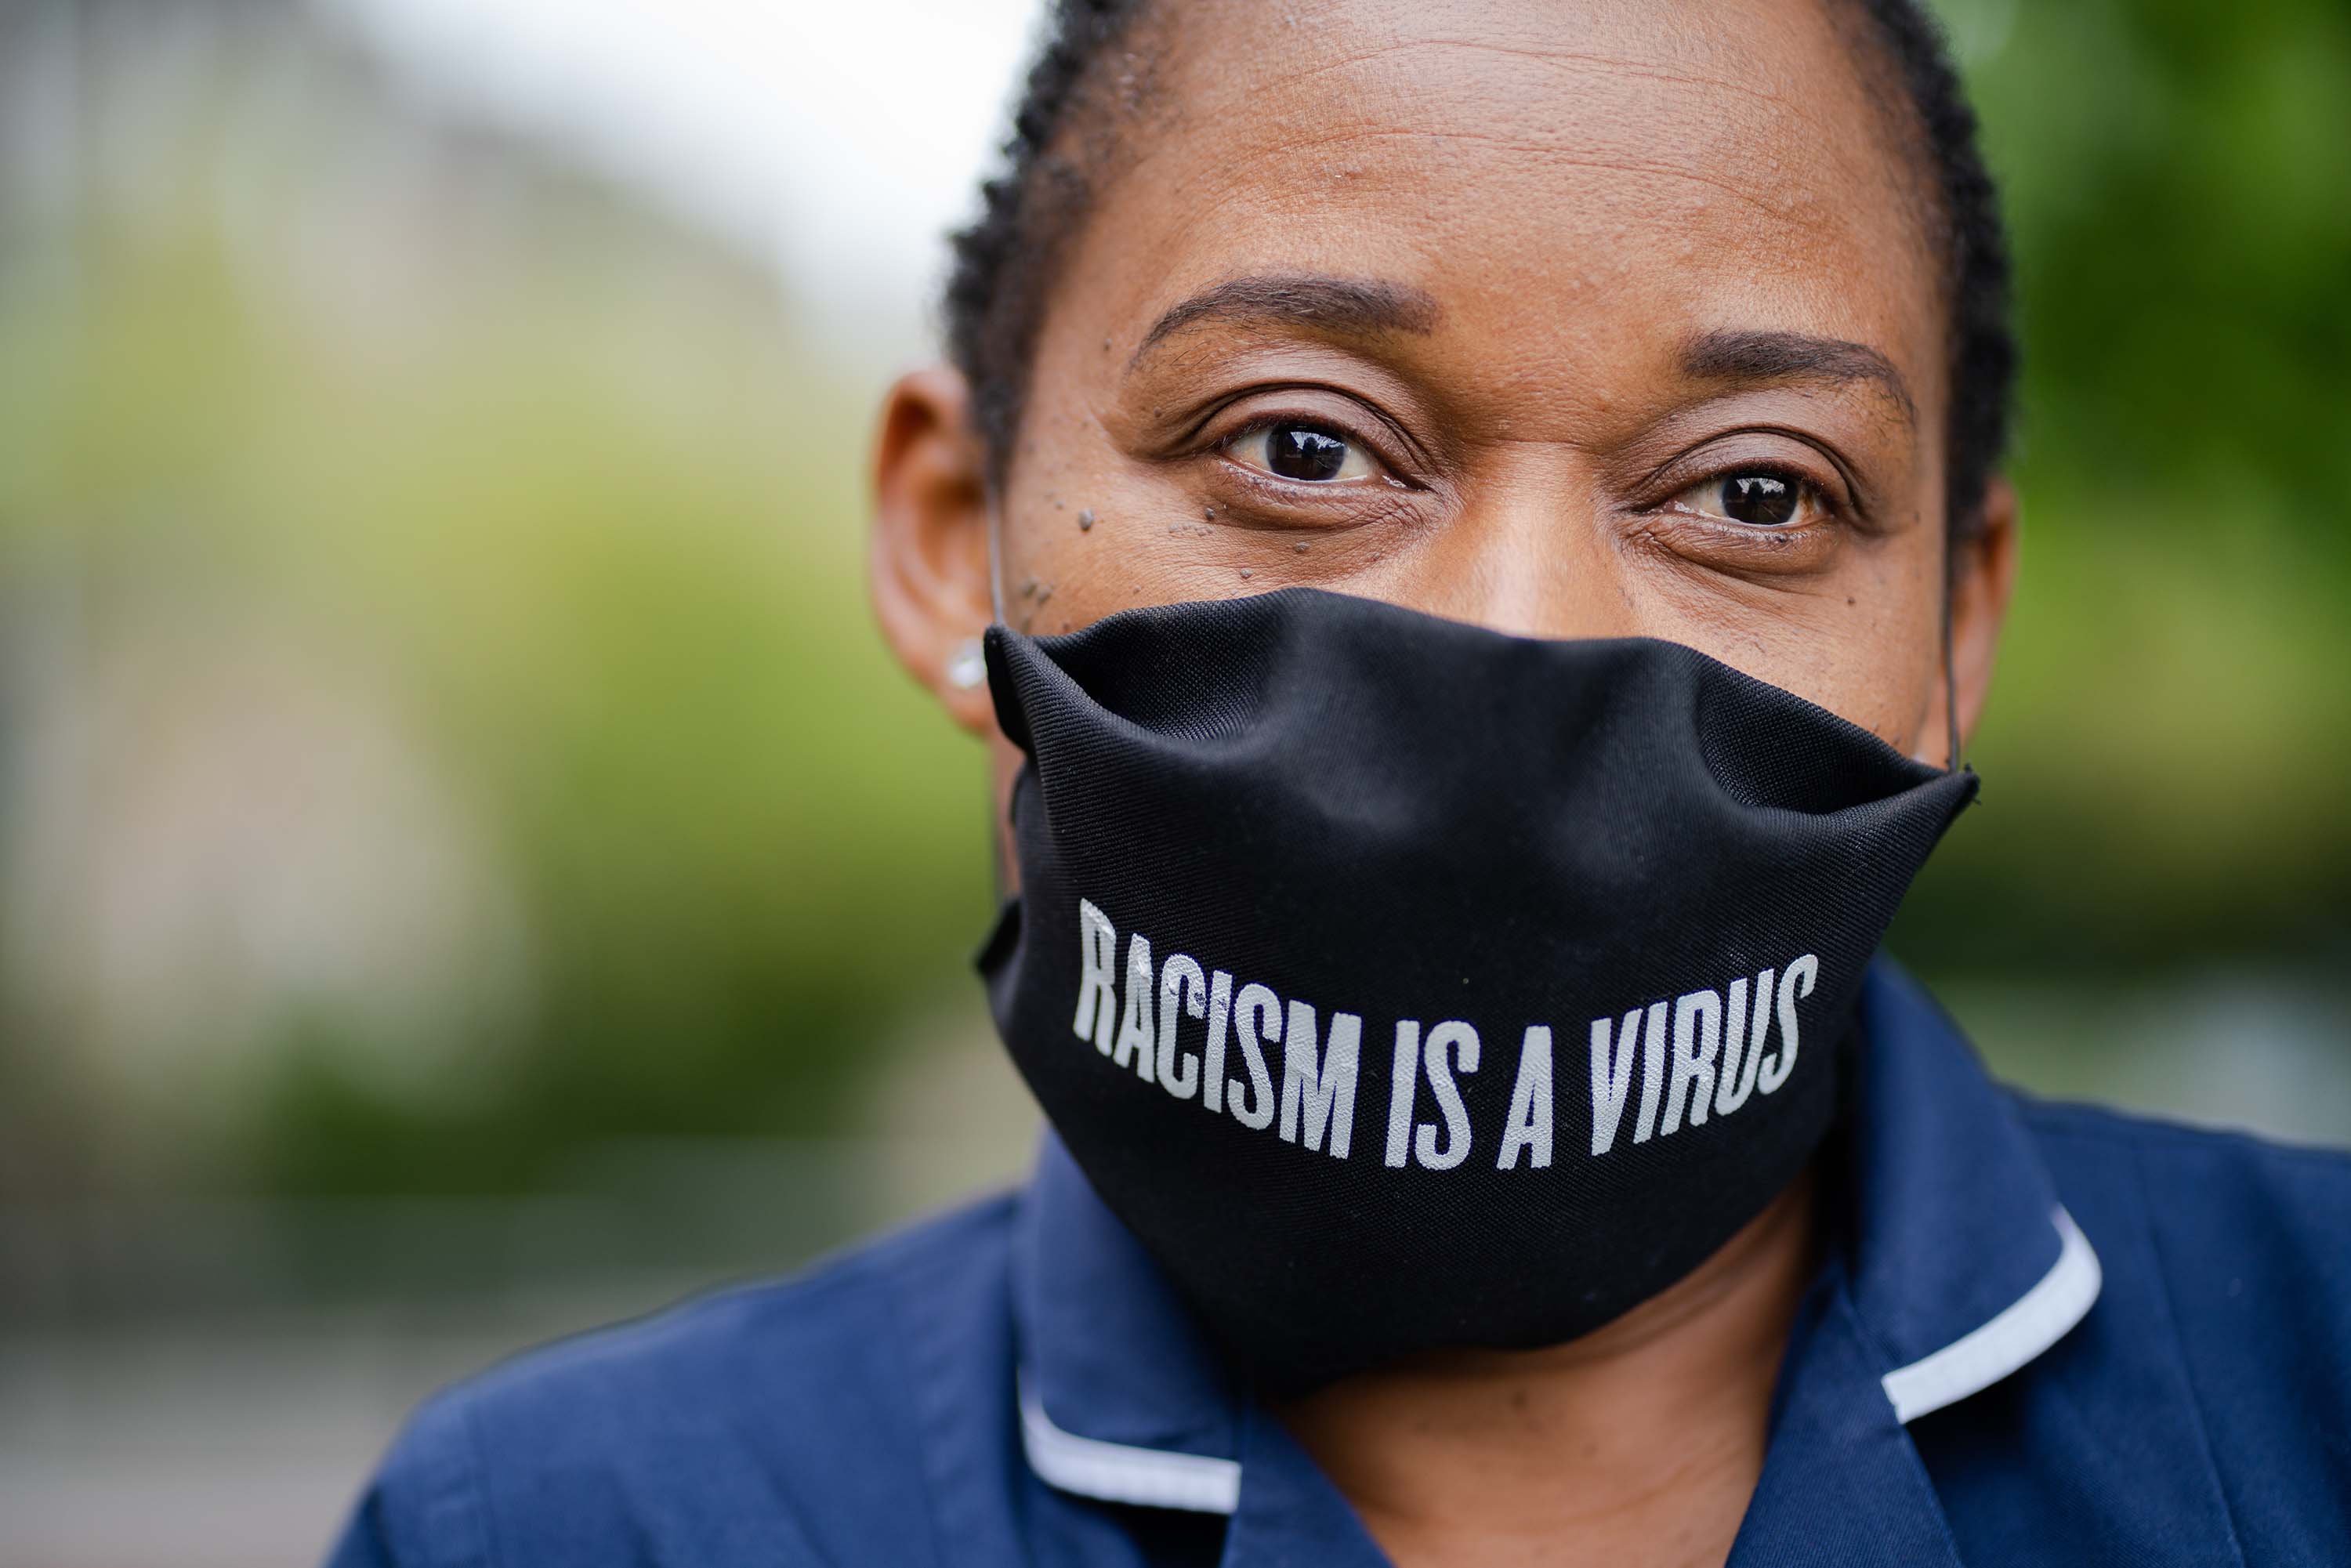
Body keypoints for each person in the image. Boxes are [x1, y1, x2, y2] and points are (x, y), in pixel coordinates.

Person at [328, 1, 2351, 1563]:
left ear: (1954, 634)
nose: (1523, 631)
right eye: (1300, 445)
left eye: (1756, 490)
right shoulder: (581, 1526)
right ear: (955, 532)